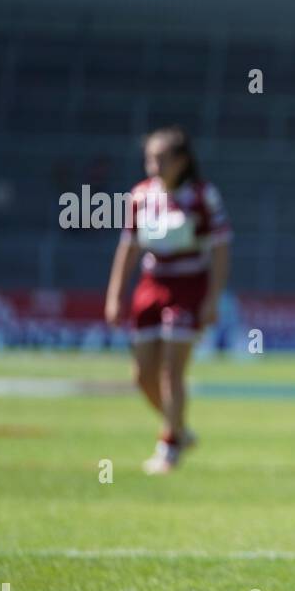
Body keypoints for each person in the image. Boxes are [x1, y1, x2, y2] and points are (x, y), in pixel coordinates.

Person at [104, 126, 232, 475]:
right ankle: (179, 428)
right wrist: (116, 294)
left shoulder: (203, 196)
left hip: (189, 287)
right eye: (149, 158)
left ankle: (168, 447)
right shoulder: (140, 196)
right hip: (150, 285)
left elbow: (220, 249)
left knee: (171, 373)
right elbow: (128, 247)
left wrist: (212, 298)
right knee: (142, 376)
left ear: (181, 161)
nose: (153, 165)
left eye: (161, 158)